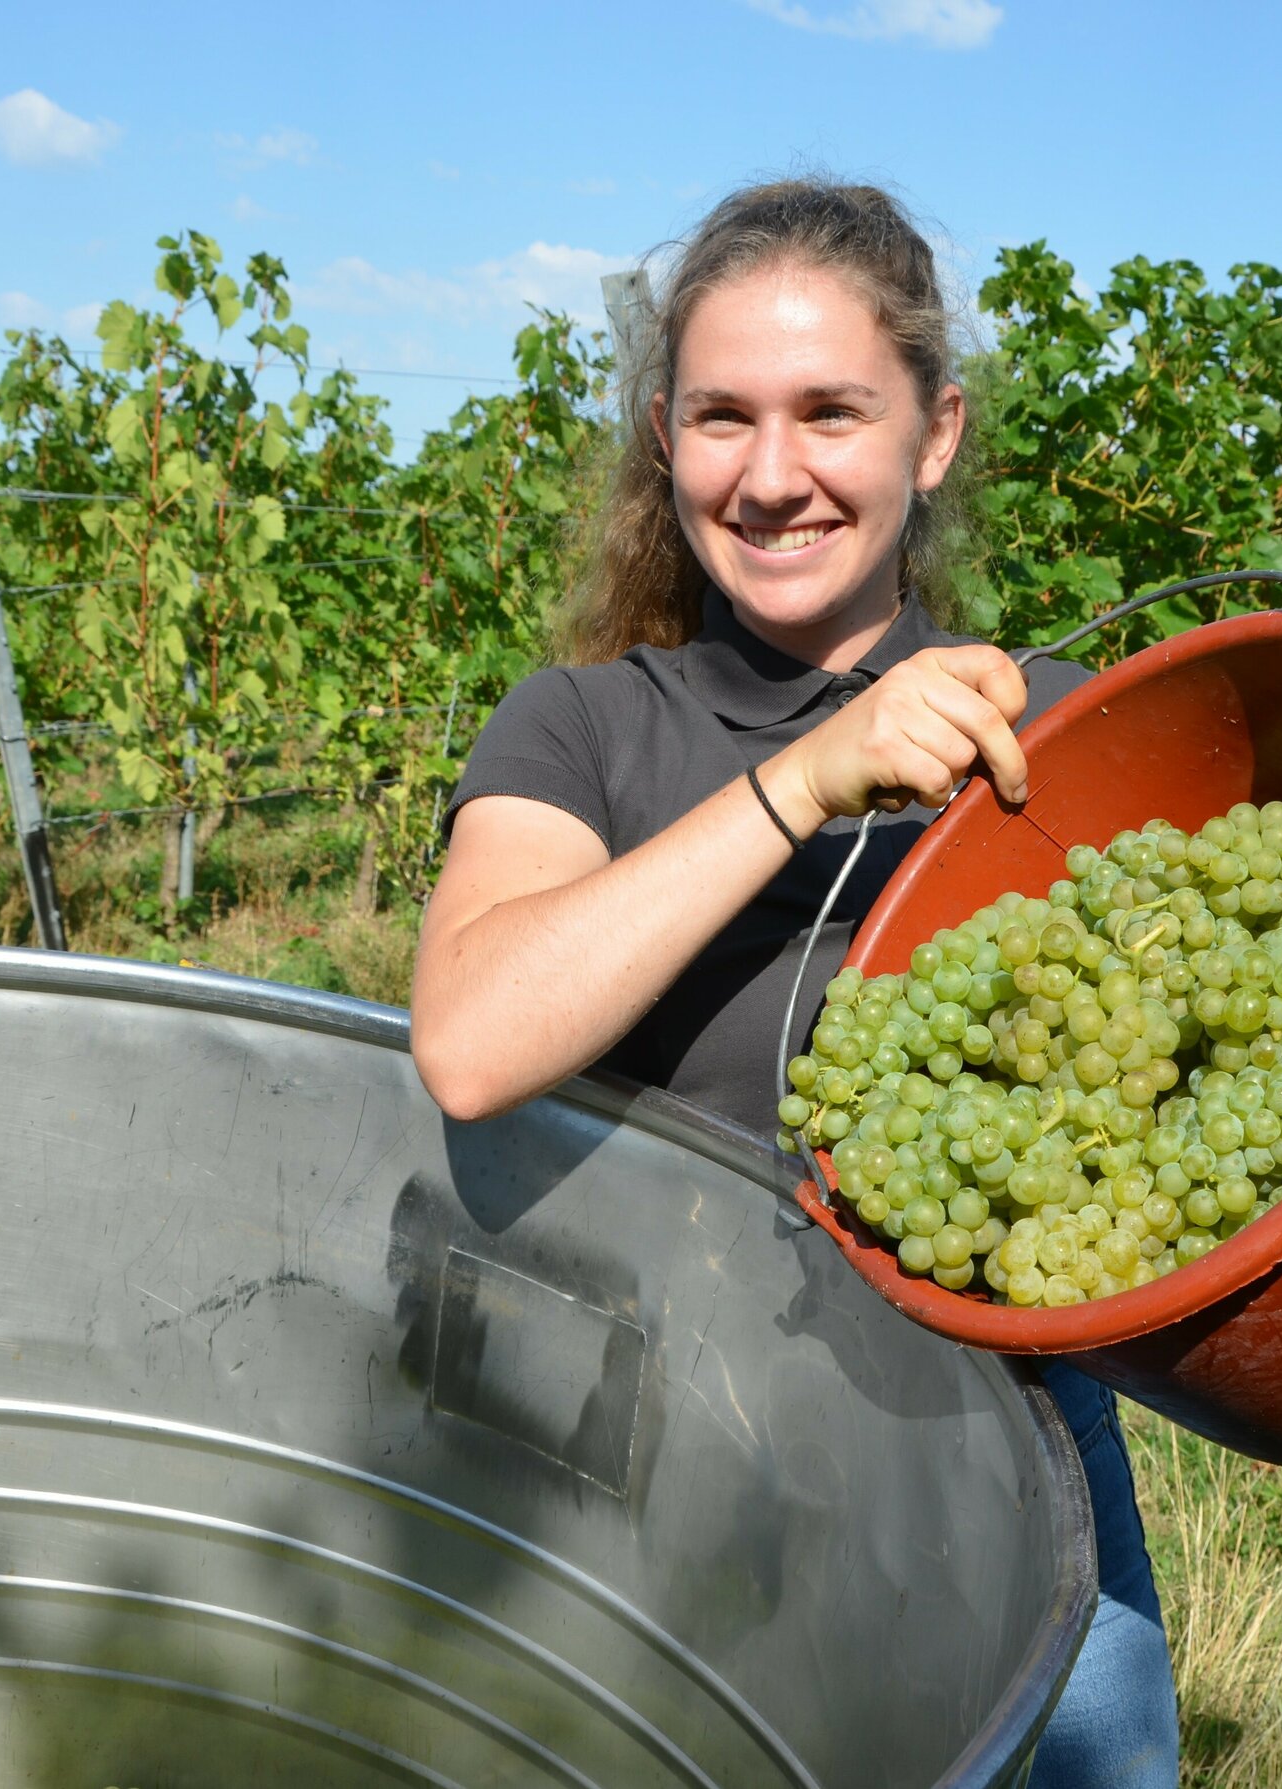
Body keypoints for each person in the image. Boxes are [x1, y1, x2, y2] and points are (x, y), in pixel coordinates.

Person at [412, 177, 1181, 1787]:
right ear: (664, 437)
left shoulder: (1065, 731)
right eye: (721, 418)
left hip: (1004, 1466)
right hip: (657, 1458)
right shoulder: (582, 728)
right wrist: (808, 777)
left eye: (832, 411)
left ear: (937, 432)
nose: (772, 476)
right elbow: (474, 1043)